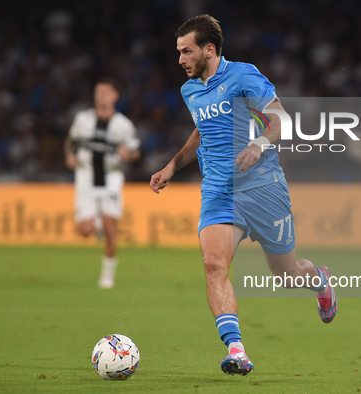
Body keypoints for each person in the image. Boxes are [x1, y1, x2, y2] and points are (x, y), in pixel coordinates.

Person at [150, 15, 336, 376]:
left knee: (287, 274)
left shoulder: (244, 76)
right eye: (178, 52)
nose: (180, 60)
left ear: (209, 49)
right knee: (213, 264)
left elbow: (280, 120)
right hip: (219, 190)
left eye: (186, 51)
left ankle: (320, 280)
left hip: (263, 188)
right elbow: (203, 131)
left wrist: (259, 143)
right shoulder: (190, 90)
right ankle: (237, 351)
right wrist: (173, 165)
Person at [65, 78, 140, 289]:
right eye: (98, 91)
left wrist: (129, 154)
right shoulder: (83, 119)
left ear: (115, 96)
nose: (101, 95)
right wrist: (70, 155)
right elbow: (71, 141)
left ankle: (107, 275)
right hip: (85, 179)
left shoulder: (123, 125)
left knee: (110, 229)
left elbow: (135, 151)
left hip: (111, 180)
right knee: (84, 230)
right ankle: (95, 222)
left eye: (106, 92)